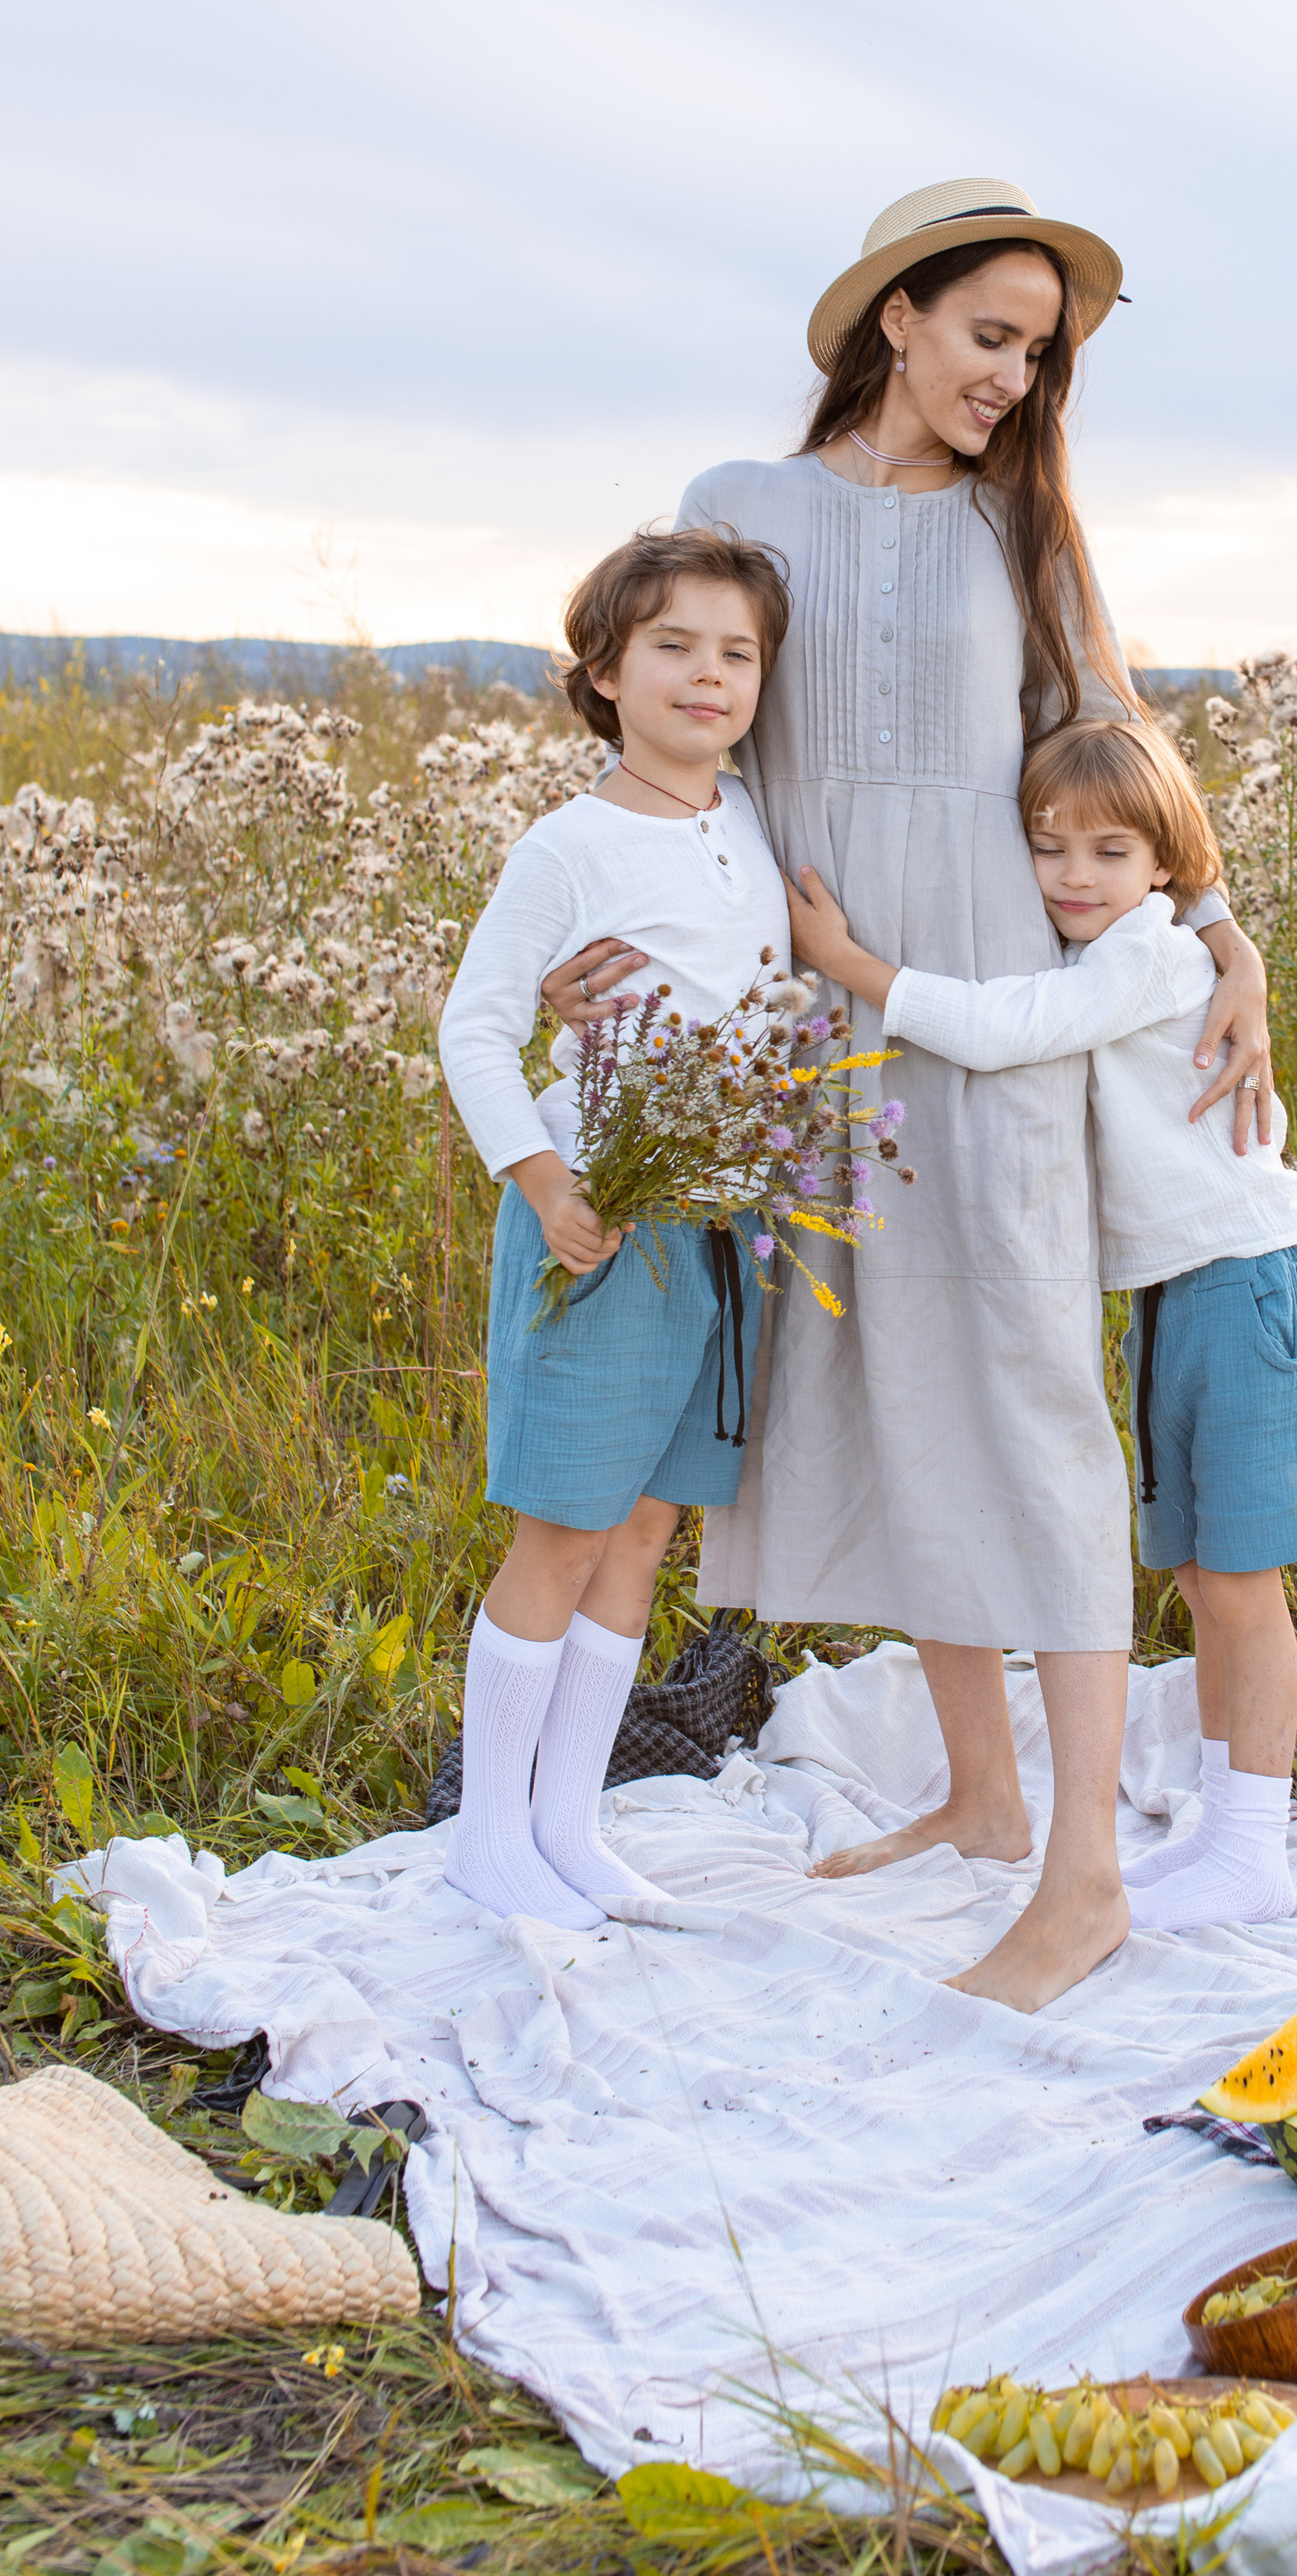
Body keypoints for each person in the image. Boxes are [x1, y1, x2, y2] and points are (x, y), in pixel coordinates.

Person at [539, 177, 1276, 2010]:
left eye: (1039, 353)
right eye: (988, 335)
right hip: (798, 1020)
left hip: (986, 1010)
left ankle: (1084, 1879)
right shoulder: (743, 504)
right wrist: (583, 932)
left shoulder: (1025, 528)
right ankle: (979, 1795)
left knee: (1025, 1404)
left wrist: (1221, 932)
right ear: (897, 317)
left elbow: (1115, 740)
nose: (1013, 377)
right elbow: (683, 737)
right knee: (888, 1386)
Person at [787, 712, 1297, 1932]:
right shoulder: (1109, 941)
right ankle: (1222, 1835)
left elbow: (1008, 1031)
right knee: (1198, 1573)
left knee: (1241, 1582)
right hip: (1177, 1288)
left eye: (1109, 851)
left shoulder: (1148, 953)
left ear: (1166, 865)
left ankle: (1253, 1847)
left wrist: (852, 965)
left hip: (1247, 1278)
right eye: (1049, 848)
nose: (1075, 876)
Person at [436, 524, 789, 1927]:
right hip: (603, 1220)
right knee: (565, 1532)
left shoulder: (748, 815)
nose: (709, 675)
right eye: (674, 646)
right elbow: (473, 1025)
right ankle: (488, 1837)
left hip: (720, 1226)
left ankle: (570, 1824)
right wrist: (545, 1181)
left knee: (644, 1528)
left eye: (737, 653)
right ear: (604, 671)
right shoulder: (568, 846)